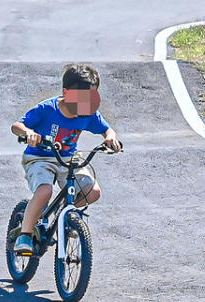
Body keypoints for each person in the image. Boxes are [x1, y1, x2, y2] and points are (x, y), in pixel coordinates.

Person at [10, 63, 121, 255]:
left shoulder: (89, 113)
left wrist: (110, 137)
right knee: (44, 191)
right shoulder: (47, 109)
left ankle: (64, 217)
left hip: (68, 158)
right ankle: (25, 234)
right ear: (66, 92)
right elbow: (17, 126)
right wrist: (29, 133)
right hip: (39, 158)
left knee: (92, 192)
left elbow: (106, 129)